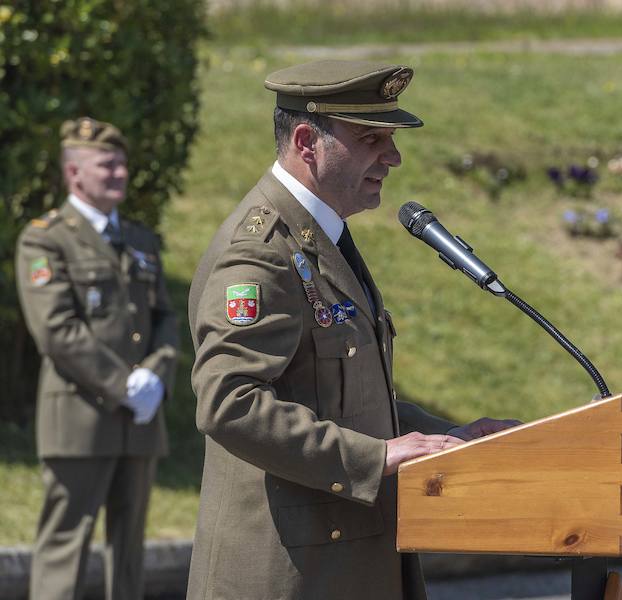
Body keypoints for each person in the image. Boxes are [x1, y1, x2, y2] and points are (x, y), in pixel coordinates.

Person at [186, 59, 518, 599]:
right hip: (288, 574)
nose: (393, 157)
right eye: (371, 139)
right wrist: (377, 458)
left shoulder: (318, 236)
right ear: (306, 141)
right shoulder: (261, 252)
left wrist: (441, 438)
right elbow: (230, 404)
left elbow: (338, 396)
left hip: (342, 564)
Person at [15, 117, 178, 600]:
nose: (120, 173)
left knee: (128, 551)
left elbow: (165, 318)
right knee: (66, 544)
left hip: (141, 418)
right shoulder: (45, 239)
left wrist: (156, 375)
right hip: (80, 416)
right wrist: (122, 384)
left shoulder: (141, 240)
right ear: (74, 174)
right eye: (107, 165)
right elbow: (55, 329)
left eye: (122, 164)